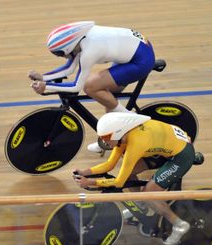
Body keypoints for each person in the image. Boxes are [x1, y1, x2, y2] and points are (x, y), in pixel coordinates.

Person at [73, 112, 201, 245]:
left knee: (149, 193)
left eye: (106, 137)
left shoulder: (136, 144)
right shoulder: (123, 136)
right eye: (101, 137)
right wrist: (85, 172)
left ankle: (179, 224)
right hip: (169, 144)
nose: (103, 141)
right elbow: (109, 165)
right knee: (129, 172)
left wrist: (91, 182)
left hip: (181, 156)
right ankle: (140, 204)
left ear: (118, 132)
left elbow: (118, 182)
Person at [28, 21, 156, 153]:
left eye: (59, 53)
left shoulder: (90, 50)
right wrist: (43, 78)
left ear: (67, 47)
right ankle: (109, 140)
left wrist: (47, 87)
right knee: (106, 96)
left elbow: (77, 86)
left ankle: (129, 116)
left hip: (140, 61)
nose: (61, 56)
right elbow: (68, 68)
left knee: (90, 86)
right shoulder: (81, 39)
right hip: (136, 51)